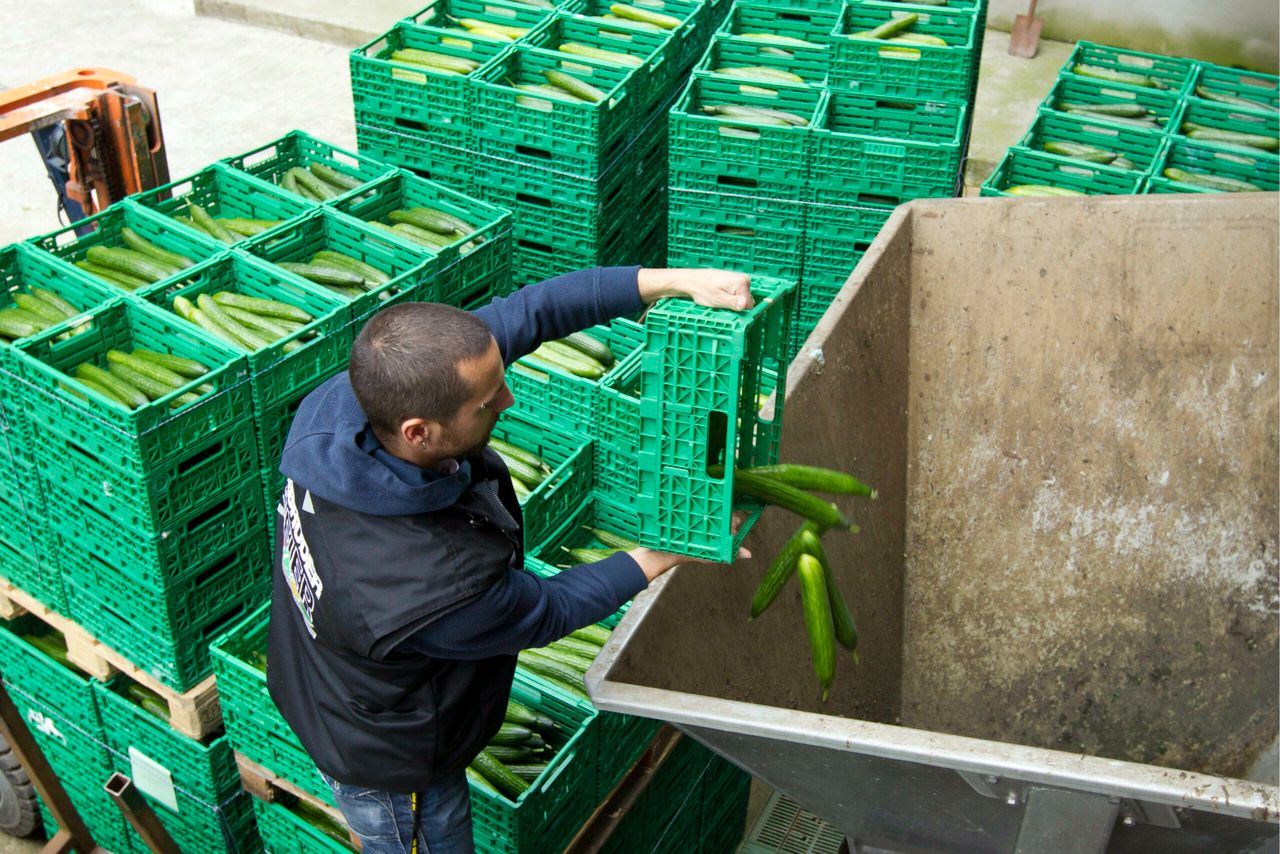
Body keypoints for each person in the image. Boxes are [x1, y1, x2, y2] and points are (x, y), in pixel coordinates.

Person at [266, 265, 754, 853]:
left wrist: (673, 281)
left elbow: (531, 311)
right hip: (387, 760)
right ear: (419, 432)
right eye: (486, 402)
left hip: (329, 670)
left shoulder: (351, 403)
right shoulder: (430, 581)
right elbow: (547, 610)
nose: (507, 396)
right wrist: (661, 554)